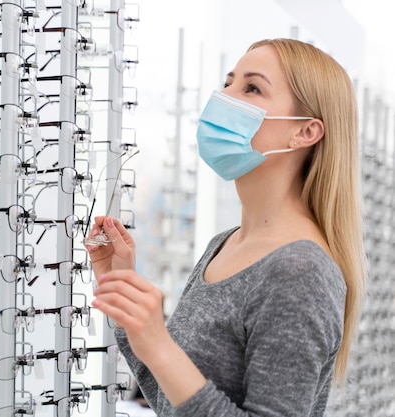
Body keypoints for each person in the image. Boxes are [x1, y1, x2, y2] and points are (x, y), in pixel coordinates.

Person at [85, 38, 365, 416]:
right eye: (228, 83)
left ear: (305, 132)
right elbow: (172, 401)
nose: (223, 98)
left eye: (252, 88)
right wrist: (125, 298)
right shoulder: (225, 244)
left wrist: (160, 344)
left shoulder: (299, 270)